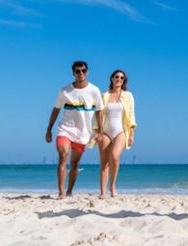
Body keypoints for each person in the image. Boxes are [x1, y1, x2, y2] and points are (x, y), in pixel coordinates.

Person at [45, 61, 105, 199]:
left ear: (87, 72)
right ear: (73, 73)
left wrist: (100, 131)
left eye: (83, 71)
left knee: (75, 164)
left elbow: (99, 111)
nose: (81, 74)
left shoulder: (94, 90)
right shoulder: (65, 91)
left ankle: (70, 190)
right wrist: (49, 129)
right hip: (65, 129)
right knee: (63, 156)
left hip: (83, 133)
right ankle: (61, 192)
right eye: (77, 71)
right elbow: (56, 110)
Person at [93, 69, 137, 198]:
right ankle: (102, 192)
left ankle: (112, 185)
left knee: (115, 157)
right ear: (112, 78)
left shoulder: (128, 96)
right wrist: (98, 132)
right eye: (117, 77)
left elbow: (131, 115)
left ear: (124, 81)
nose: (119, 79)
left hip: (121, 131)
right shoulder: (104, 95)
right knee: (104, 162)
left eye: (122, 78)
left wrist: (132, 134)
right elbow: (98, 115)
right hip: (105, 131)